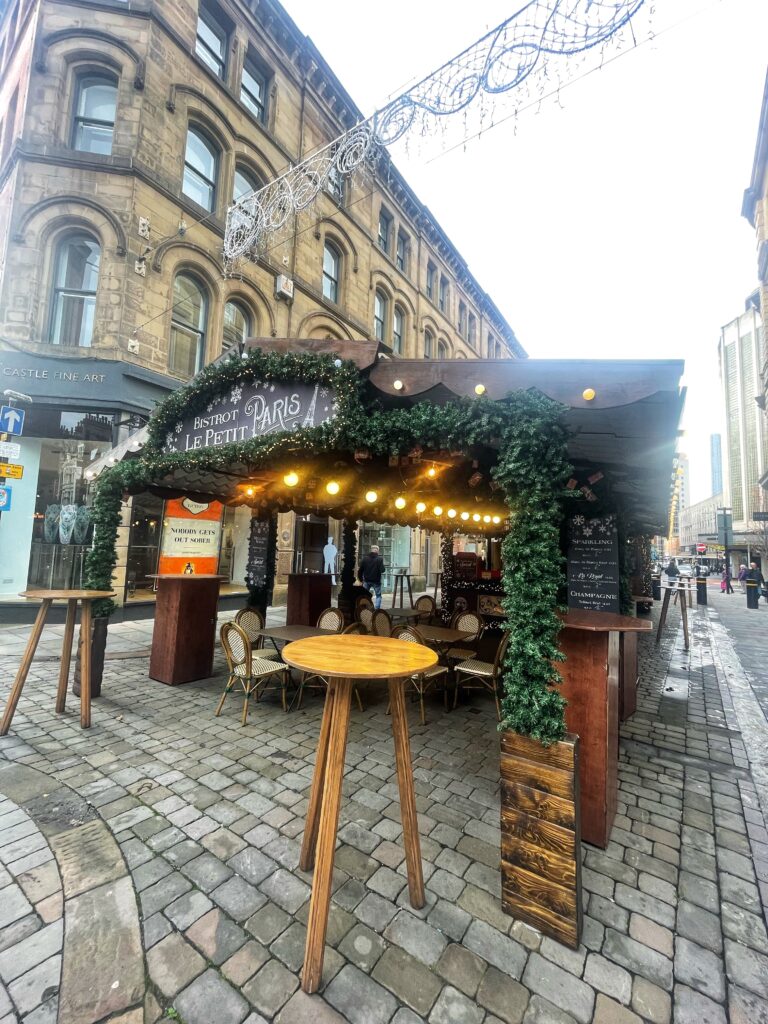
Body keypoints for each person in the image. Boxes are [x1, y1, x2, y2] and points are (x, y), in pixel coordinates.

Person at [359, 544, 385, 609]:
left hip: (366, 581)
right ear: (377, 551)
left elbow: (360, 570)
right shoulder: (380, 559)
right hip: (376, 581)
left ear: (371, 550)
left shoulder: (365, 558)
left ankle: (364, 609)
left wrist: (361, 580)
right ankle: (376, 610)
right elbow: (382, 570)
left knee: (364, 596)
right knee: (378, 596)